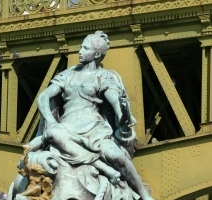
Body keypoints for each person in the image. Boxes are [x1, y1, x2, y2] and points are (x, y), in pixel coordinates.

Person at [35, 31, 153, 200]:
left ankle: (143, 194)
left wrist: (121, 114)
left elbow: (113, 97)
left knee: (116, 155)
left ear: (97, 54)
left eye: (85, 48)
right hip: (66, 128)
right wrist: (51, 121)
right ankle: (103, 167)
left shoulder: (104, 76)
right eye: (81, 47)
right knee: (53, 133)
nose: (80, 51)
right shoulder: (68, 75)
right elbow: (44, 97)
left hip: (95, 131)